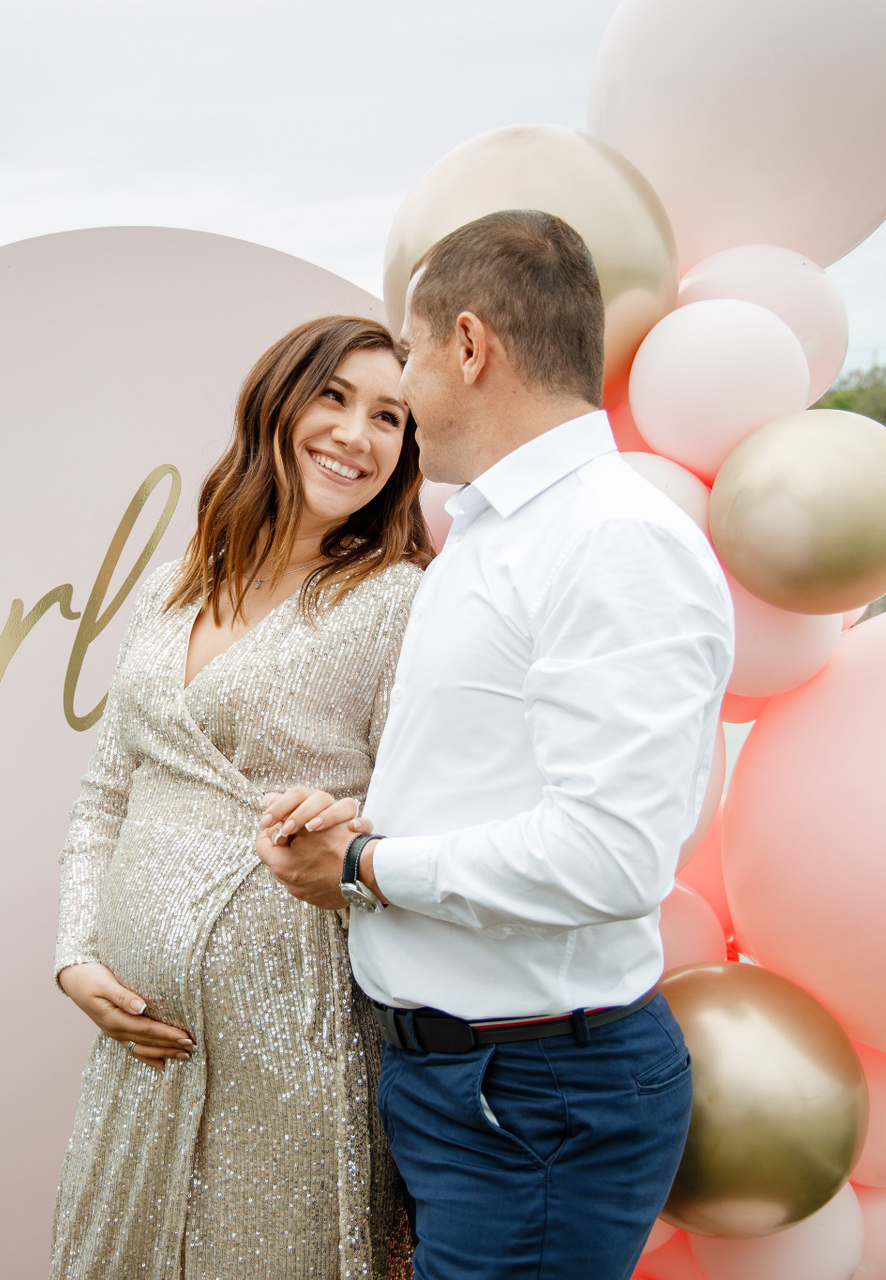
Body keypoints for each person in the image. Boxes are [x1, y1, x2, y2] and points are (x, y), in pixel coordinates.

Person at [257, 210, 734, 1279]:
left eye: (411, 351)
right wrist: (363, 826)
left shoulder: (611, 541)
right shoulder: (498, 529)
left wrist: (364, 866)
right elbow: (488, 779)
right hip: (476, 1085)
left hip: (532, 1099)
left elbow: (608, 856)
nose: (406, 382)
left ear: (469, 345)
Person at [51, 314, 432, 1280]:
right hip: (142, 1055)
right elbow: (106, 794)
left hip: (296, 1045)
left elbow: (420, 814)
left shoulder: (396, 602)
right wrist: (75, 957)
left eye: (389, 417)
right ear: (275, 402)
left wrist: (351, 829)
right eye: (334, 397)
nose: (356, 435)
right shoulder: (174, 586)